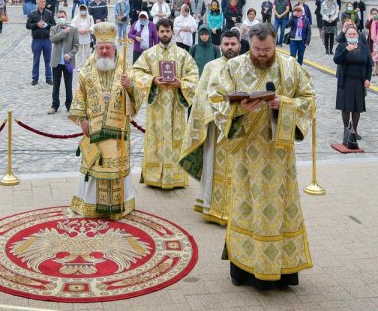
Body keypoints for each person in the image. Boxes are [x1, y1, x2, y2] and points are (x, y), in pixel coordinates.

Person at [212, 23, 314, 288]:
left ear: (275, 44)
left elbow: (309, 99)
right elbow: (216, 100)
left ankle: (282, 270)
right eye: (256, 49)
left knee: (279, 210)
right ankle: (243, 269)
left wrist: (285, 104)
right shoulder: (234, 68)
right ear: (250, 44)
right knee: (246, 208)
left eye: (266, 50)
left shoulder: (291, 67)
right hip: (246, 155)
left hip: (279, 157)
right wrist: (241, 109)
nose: (261, 54)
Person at [69, 22, 138, 218]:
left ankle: (119, 205)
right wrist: (82, 119)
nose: (105, 51)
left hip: (118, 133)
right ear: (96, 48)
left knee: (116, 166)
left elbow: (138, 96)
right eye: (101, 48)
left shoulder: (125, 69)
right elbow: (79, 96)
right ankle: (90, 205)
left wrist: (130, 86)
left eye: (108, 47)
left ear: (114, 49)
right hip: (94, 129)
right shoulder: (86, 71)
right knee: (94, 165)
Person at [180, 29, 241, 225]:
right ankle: (211, 206)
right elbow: (200, 97)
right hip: (215, 127)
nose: (229, 47)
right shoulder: (211, 67)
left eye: (233, 44)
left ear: (239, 45)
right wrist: (216, 112)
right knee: (214, 166)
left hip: (240, 127)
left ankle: (238, 210)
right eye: (226, 44)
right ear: (220, 45)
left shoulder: (246, 65)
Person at [130, 19, 198, 189]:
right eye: (162, 31)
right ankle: (154, 177)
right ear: (157, 33)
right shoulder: (149, 54)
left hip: (176, 106)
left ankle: (175, 177)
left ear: (172, 32)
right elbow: (136, 72)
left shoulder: (183, 55)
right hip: (157, 106)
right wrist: (152, 80)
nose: (165, 34)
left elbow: (193, 74)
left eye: (168, 31)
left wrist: (181, 84)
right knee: (157, 139)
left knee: (176, 139)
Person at [334, 21, 373, 147]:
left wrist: (368, 78)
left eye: (353, 34)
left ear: (357, 35)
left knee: (357, 108)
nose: (351, 35)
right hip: (345, 81)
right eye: (349, 34)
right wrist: (346, 50)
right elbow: (337, 60)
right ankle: (346, 129)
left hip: (359, 82)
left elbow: (368, 64)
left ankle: (354, 130)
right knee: (346, 107)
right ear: (346, 36)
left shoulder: (364, 47)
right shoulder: (341, 46)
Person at [49, 8, 79, 114]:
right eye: (59, 17)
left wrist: (70, 55)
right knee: (56, 85)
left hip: (68, 63)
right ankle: (54, 105)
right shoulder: (53, 28)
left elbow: (76, 46)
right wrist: (64, 32)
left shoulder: (74, 29)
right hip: (56, 62)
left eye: (62, 17)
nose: (61, 19)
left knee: (68, 85)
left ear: (66, 17)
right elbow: (53, 39)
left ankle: (69, 105)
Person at [26, 0, 53, 85]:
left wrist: (47, 25)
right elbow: (28, 25)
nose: (43, 3)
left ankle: (48, 77)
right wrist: (36, 25)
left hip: (46, 39)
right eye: (41, 2)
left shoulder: (49, 13)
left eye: (44, 1)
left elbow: (54, 25)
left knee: (48, 60)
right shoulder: (32, 13)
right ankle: (35, 78)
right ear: (37, 2)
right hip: (36, 40)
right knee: (36, 59)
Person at [286, 0, 312, 65]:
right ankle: (292, 68)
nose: (297, 12)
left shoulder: (306, 20)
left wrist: (307, 41)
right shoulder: (293, 18)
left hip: (302, 41)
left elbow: (309, 31)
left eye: (299, 11)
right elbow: (287, 25)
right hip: (293, 40)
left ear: (302, 12)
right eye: (296, 11)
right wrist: (292, 16)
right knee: (292, 55)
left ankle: (299, 68)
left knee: (300, 56)